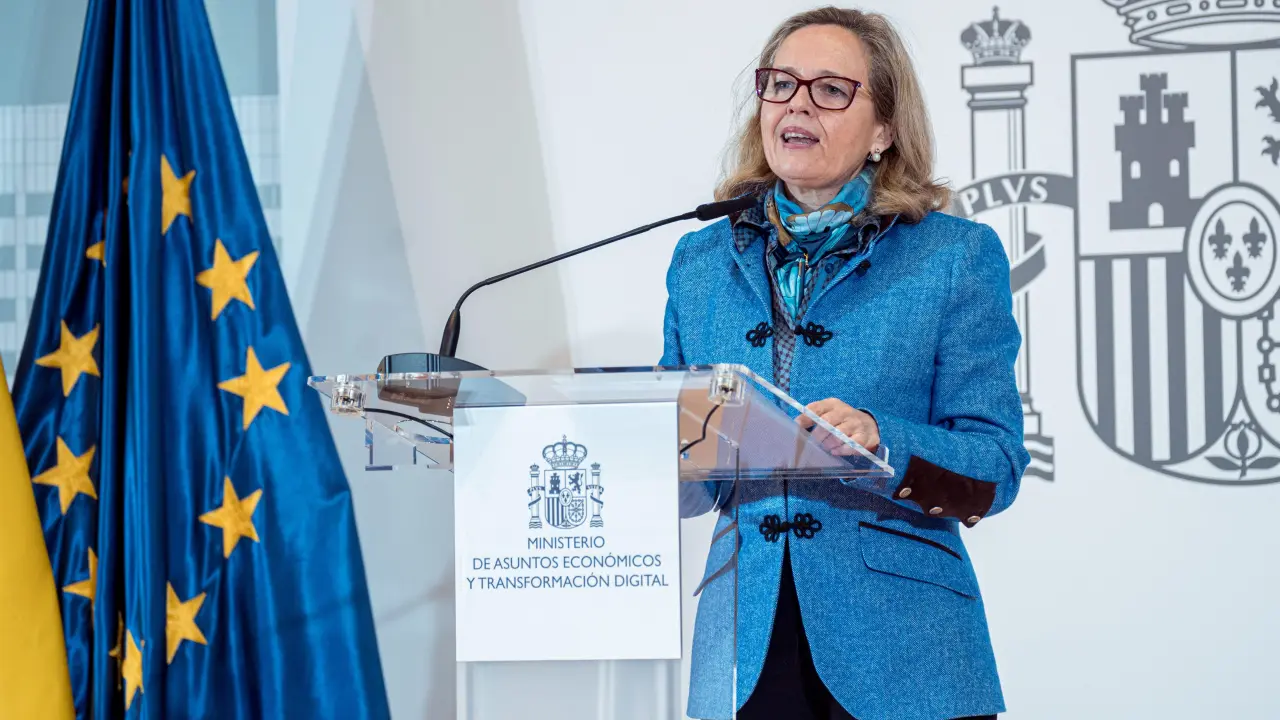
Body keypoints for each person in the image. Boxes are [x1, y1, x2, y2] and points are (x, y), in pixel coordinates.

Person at [659, 7, 1030, 720]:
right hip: (744, 649)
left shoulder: (953, 257)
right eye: (780, 84)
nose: (797, 104)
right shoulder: (699, 262)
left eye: (830, 90)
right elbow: (686, 463)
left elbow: (995, 467)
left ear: (884, 130)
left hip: (904, 652)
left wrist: (881, 440)